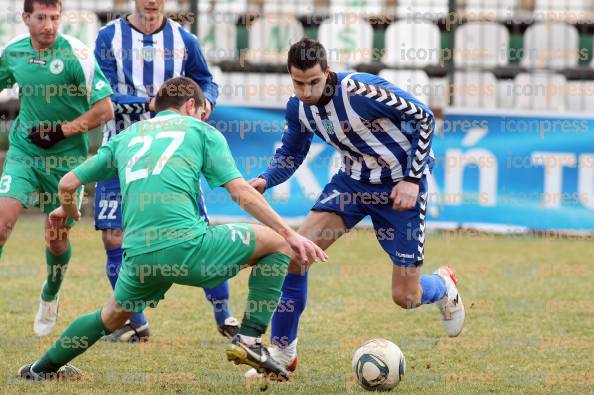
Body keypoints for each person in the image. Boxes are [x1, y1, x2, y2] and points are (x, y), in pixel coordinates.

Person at [18, 76, 328, 381]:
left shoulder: (126, 137)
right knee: (278, 244)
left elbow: (67, 183)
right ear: (191, 104)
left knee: (111, 315)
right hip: (188, 249)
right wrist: (291, 234)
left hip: (138, 255)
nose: (204, 117)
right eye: (203, 110)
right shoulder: (201, 131)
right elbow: (241, 193)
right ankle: (248, 340)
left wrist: (68, 212)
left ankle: (40, 369)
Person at [247, 38, 465, 373]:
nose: (306, 91)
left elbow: (424, 118)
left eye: (313, 82)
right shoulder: (299, 107)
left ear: (327, 72)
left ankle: (443, 285)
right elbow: (292, 152)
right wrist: (266, 179)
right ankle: (282, 354)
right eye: (298, 83)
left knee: (405, 297)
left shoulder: (364, 91)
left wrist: (412, 179)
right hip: (352, 184)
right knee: (296, 255)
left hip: (399, 189)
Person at [93, 0, 235, 342]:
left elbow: (206, 82)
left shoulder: (184, 40)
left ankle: (226, 317)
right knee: (114, 236)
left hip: (174, 152)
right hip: (122, 149)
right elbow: (101, 93)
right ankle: (135, 323)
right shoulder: (108, 38)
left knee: (198, 229)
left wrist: (207, 102)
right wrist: (150, 103)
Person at [0, 0, 113, 336]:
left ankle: (50, 293)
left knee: (56, 239)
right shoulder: (13, 53)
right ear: (25, 18)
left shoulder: (77, 55)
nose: (49, 25)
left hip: (67, 163)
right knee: (2, 225)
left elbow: (104, 110)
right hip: (24, 152)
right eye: (41, 18)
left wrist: (61, 131)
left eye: (55, 17)